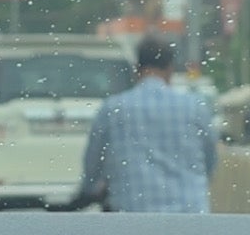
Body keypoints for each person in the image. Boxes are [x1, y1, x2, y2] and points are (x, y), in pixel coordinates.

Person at [82, 32, 215, 213]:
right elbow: (210, 161)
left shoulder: (112, 109)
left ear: (137, 69)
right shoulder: (195, 107)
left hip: (134, 221)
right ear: (170, 69)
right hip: (190, 219)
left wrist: (91, 189)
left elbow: (93, 166)